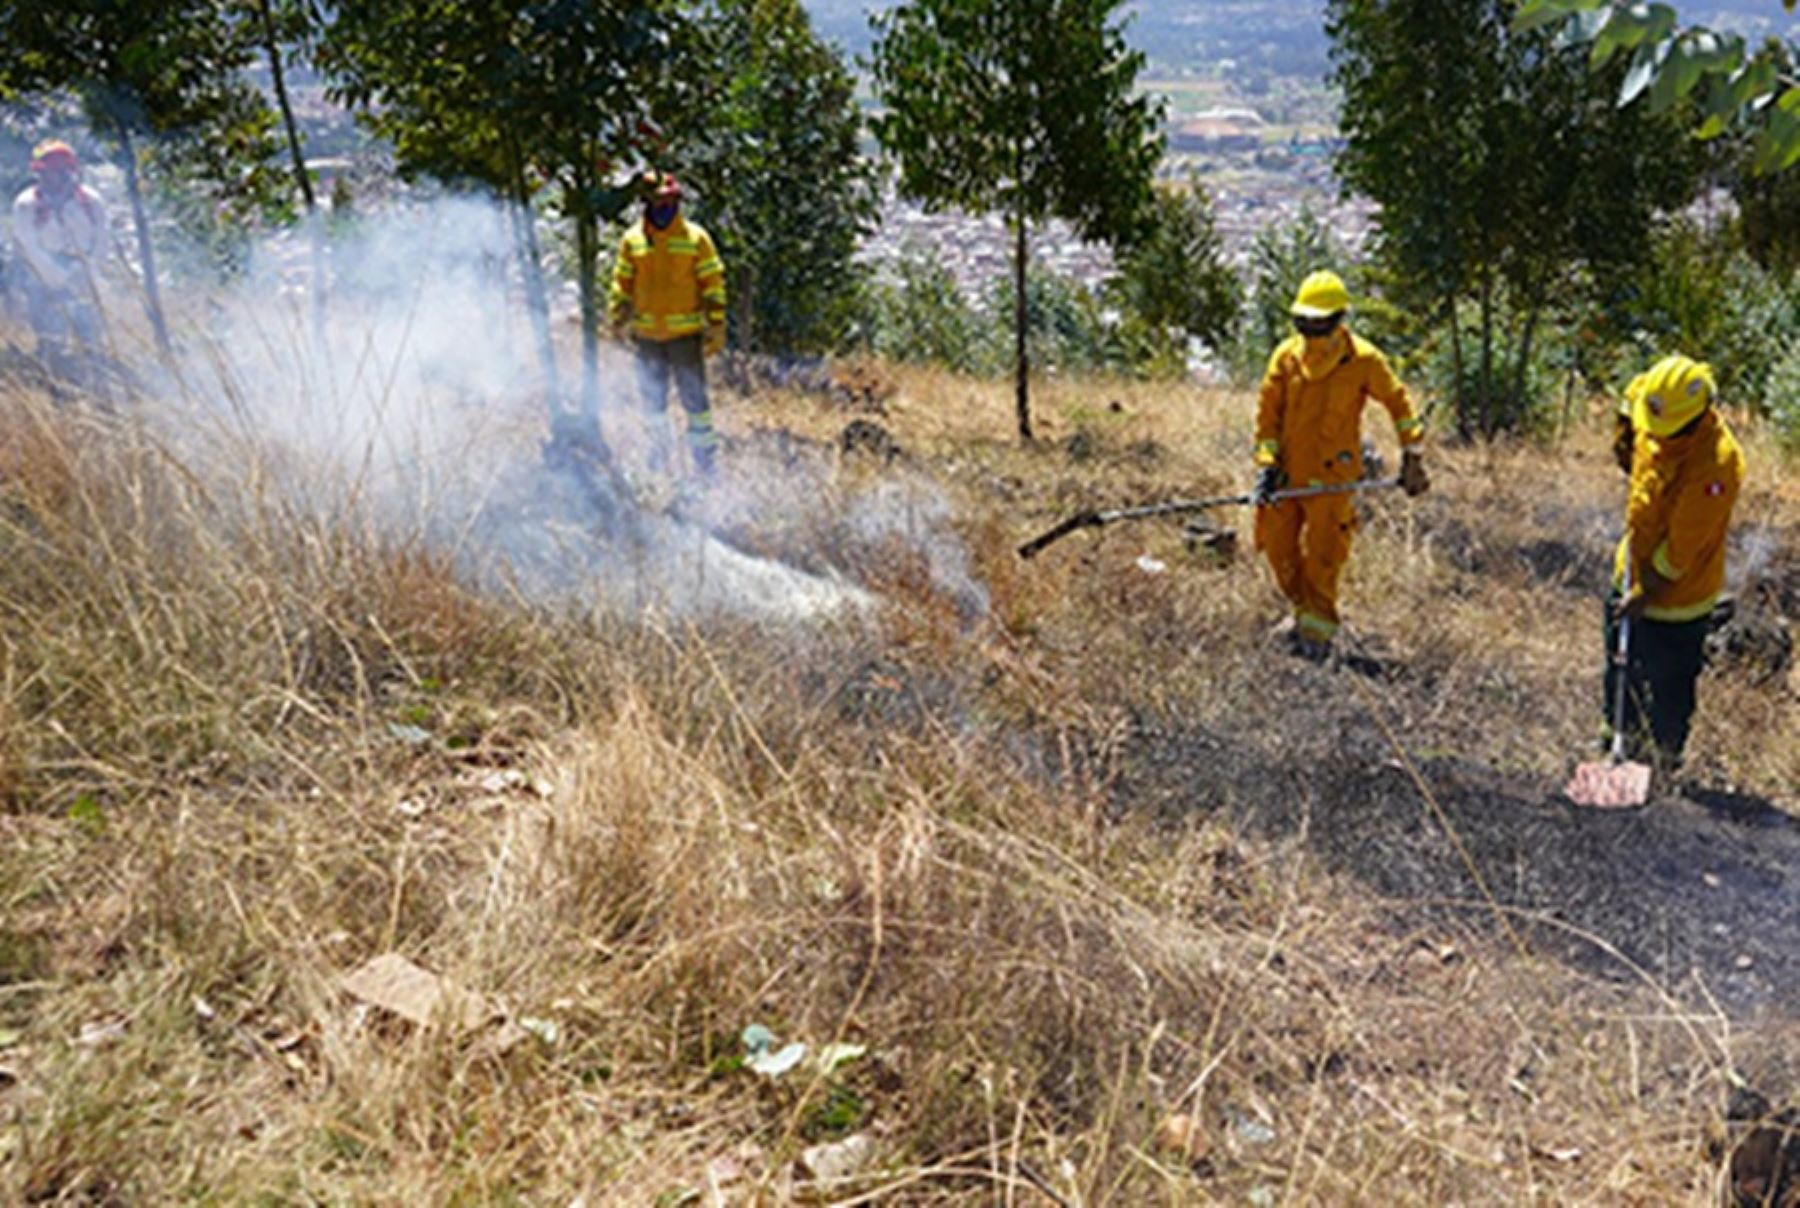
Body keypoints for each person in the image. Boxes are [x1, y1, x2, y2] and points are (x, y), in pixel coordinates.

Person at [1251, 270, 1430, 658]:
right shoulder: (1285, 358)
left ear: (1338, 320)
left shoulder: (1364, 360)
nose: (1312, 329)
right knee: (1278, 548)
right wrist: (1266, 463)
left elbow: (1399, 404)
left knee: (1324, 552)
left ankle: (1318, 630)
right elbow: (1268, 417)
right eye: (1305, 321)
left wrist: (1413, 455)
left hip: (1333, 476)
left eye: (1320, 321)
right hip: (1286, 476)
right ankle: (1302, 610)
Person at [1605, 354, 1745, 767]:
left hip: (1676, 599)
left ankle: (1661, 766)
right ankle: (1613, 750)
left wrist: (1645, 592)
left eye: (1669, 432)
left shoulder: (1716, 466)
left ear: (1698, 417)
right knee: (1619, 673)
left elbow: (1681, 550)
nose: (1656, 438)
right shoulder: (1658, 398)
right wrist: (1622, 427)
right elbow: (1633, 398)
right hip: (1630, 569)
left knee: (1668, 688)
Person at [607, 171, 727, 479]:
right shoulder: (632, 240)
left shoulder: (696, 238)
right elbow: (622, 283)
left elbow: (712, 284)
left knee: (695, 403)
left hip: (685, 338)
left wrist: (715, 325)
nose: (664, 207)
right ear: (645, 203)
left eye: (669, 201)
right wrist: (617, 319)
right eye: (657, 201)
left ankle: (705, 465)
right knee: (652, 403)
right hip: (647, 339)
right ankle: (658, 462)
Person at [11, 139, 108, 389]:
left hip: (83, 272)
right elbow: (29, 247)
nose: (57, 176)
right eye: (50, 170)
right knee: (49, 336)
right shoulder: (27, 204)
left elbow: (102, 241)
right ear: (39, 172)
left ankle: (92, 382)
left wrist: (86, 274)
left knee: (90, 336)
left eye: (62, 170)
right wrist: (58, 278)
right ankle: (51, 383)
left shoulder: (91, 201)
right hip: (42, 277)